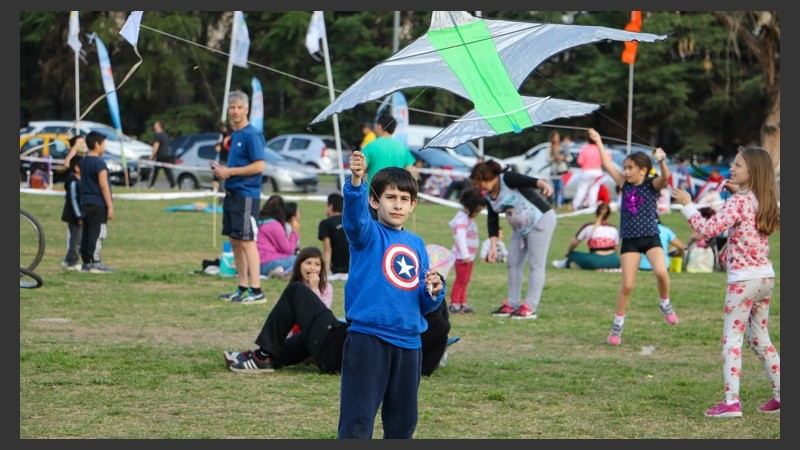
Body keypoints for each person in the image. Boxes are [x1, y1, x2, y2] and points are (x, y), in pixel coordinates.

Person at [338, 152, 445, 439]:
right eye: (390, 197)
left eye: (404, 199)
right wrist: (357, 181)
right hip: (368, 339)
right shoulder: (366, 234)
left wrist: (434, 291)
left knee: (403, 424)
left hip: (410, 343)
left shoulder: (416, 243)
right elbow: (354, 219)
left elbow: (424, 302)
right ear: (374, 201)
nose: (398, 204)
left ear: (413, 204)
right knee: (358, 421)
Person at [672, 145, 780, 418]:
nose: (732, 168)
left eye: (738, 165)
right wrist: (736, 193)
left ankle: (731, 402)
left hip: (743, 281)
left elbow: (708, 229)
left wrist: (687, 205)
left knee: (732, 339)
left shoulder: (739, 202)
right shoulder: (761, 199)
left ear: (752, 172)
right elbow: (744, 214)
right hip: (764, 278)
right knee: (760, 339)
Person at [592, 128, 677, 346]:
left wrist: (662, 161)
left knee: (661, 272)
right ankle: (617, 324)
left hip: (650, 237)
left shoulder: (651, 185)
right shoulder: (625, 184)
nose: (626, 171)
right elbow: (607, 163)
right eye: (625, 168)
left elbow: (665, 178)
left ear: (643, 170)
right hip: (630, 240)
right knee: (627, 285)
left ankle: (665, 303)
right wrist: (599, 140)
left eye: (630, 168)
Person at [469, 159, 556, 320]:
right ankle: (512, 303)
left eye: (481, 182)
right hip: (520, 229)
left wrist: (544, 185)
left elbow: (528, 181)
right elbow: (492, 221)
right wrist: (493, 247)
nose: (480, 186)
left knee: (536, 264)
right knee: (512, 262)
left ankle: (530, 307)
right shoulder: (489, 196)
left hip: (540, 220)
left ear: (490, 177)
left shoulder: (507, 179)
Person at [212, 90, 266, 304]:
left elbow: (259, 166)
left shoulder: (252, 134)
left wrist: (230, 172)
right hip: (232, 194)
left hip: (246, 196)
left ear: (247, 110)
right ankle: (242, 287)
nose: (235, 111)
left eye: (239, 107)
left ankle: (257, 290)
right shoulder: (235, 135)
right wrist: (222, 170)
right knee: (234, 241)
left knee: (247, 242)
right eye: (232, 107)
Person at [79, 131, 115, 273]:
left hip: (85, 202)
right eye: (103, 144)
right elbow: (103, 185)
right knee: (98, 232)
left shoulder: (83, 161)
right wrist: (110, 206)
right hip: (98, 203)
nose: (104, 147)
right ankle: (95, 260)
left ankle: (86, 261)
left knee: (87, 232)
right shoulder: (99, 163)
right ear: (97, 144)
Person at [447, 187, 485, 314]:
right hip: (462, 257)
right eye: (477, 211)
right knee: (460, 280)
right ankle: (454, 303)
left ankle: (462, 302)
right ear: (470, 207)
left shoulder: (467, 218)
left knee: (465, 280)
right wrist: (465, 255)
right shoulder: (462, 219)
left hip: (469, 257)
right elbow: (460, 238)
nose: (477, 213)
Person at [552, 202, 621, 270]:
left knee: (572, 254)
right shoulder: (614, 229)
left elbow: (574, 243)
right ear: (609, 215)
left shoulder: (588, 227)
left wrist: (569, 251)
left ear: (596, 213)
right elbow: (616, 248)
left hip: (595, 261)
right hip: (614, 261)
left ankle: (567, 263)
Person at [361, 113, 416, 184]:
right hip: (396, 189)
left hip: (374, 190)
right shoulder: (403, 148)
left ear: (379, 126)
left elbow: (360, 171)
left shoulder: (370, 146)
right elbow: (410, 173)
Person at [257, 195, 299, 280]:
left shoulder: (259, 222)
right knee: (301, 259)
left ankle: (278, 272)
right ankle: (284, 273)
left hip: (255, 264)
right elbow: (288, 250)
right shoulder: (273, 225)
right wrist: (295, 232)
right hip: (267, 262)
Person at [318, 193, 349, 281]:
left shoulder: (325, 223)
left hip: (336, 269)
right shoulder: (351, 221)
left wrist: (326, 271)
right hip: (353, 267)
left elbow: (327, 249)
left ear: (330, 206)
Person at [60, 154, 83, 271]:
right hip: (74, 217)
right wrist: (79, 216)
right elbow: (73, 200)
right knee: (75, 240)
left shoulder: (82, 181)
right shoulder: (73, 182)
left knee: (78, 239)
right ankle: (71, 261)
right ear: (77, 168)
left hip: (79, 215)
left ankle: (69, 260)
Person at [571, 130, 604, 211]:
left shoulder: (585, 148)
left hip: (587, 171)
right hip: (597, 171)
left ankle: (575, 205)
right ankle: (592, 206)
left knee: (582, 188)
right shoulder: (599, 148)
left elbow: (580, 161)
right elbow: (606, 158)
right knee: (594, 189)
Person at [148, 120, 176, 189]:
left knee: (155, 171)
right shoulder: (165, 135)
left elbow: (156, 146)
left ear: (159, 126)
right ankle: (173, 185)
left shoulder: (158, 135)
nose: (154, 126)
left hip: (160, 156)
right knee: (167, 171)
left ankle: (151, 185)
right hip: (167, 156)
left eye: (155, 124)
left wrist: (152, 155)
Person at [547, 130, 568, 208]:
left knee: (561, 187)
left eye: (558, 137)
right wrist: (555, 157)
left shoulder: (563, 147)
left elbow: (569, 157)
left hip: (563, 170)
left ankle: (560, 203)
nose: (557, 139)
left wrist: (563, 157)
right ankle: (556, 202)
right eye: (555, 137)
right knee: (556, 188)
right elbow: (548, 159)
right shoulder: (550, 147)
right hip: (554, 171)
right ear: (552, 138)